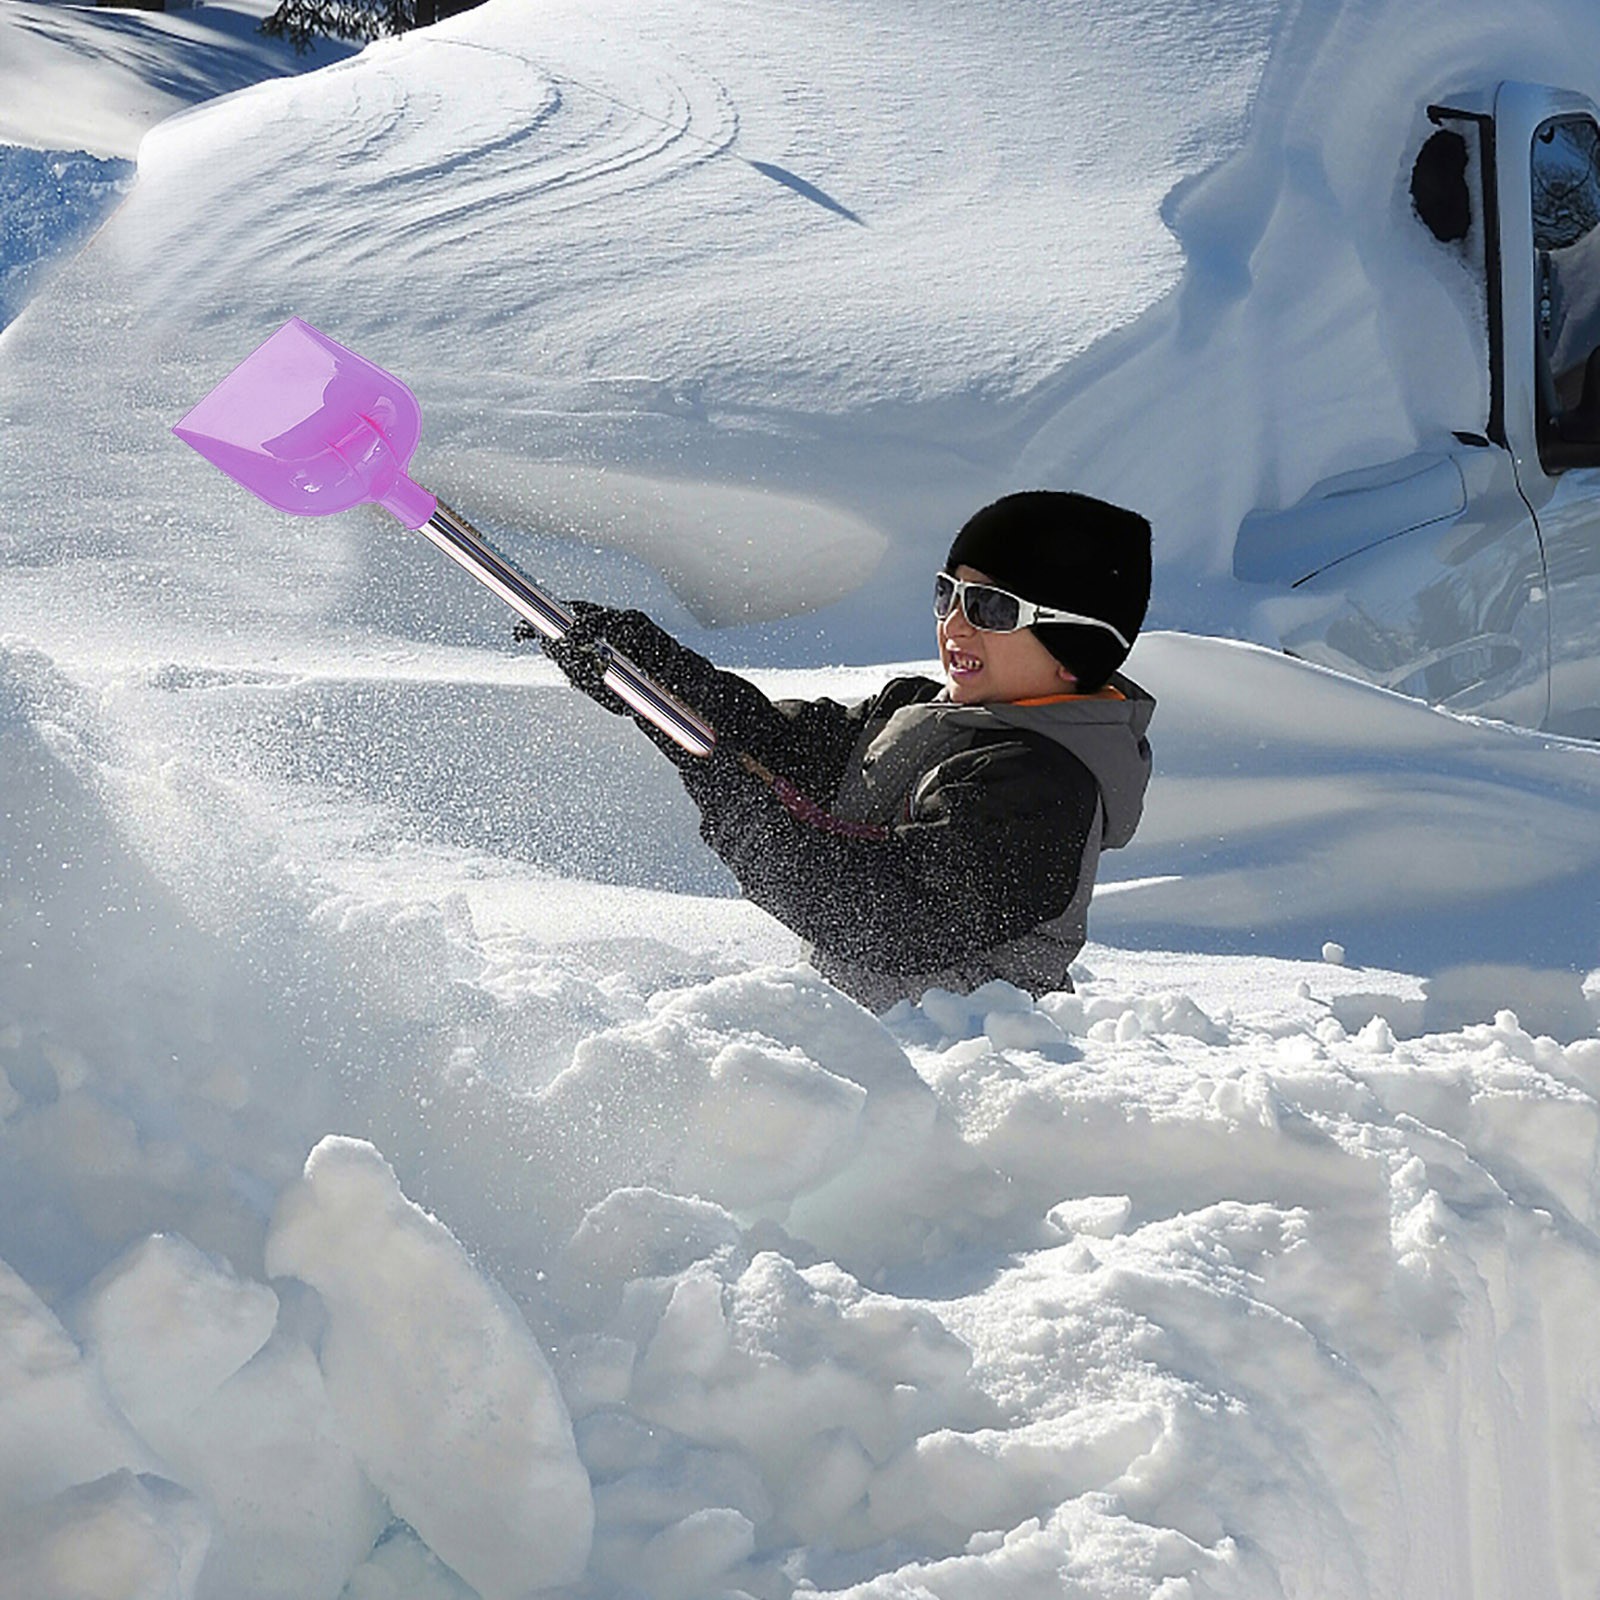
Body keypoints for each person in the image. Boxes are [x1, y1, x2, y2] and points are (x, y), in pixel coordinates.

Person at [526, 489, 1155, 1010]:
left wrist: (737, 808)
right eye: (948, 595)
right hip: (871, 1064)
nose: (954, 624)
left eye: (991, 607)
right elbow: (775, 743)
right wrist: (648, 670)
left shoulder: (1044, 786)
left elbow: (888, 917)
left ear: (1075, 650)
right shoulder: (918, 714)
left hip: (957, 1084)